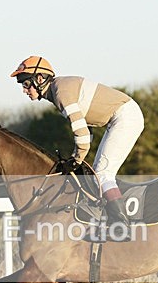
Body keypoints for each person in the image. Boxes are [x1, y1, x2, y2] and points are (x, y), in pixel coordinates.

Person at [10, 56, 144, 231]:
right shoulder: (58, 90)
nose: (24, 90)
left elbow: (81, 135)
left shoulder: (60, 93)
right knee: (96, 173)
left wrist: (75, 160)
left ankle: (121, 225)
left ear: (40, 79)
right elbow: (85, 134)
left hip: (125, 117)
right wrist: (76, 158)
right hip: (119, 117)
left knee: (103, 174)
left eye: (26, 84)